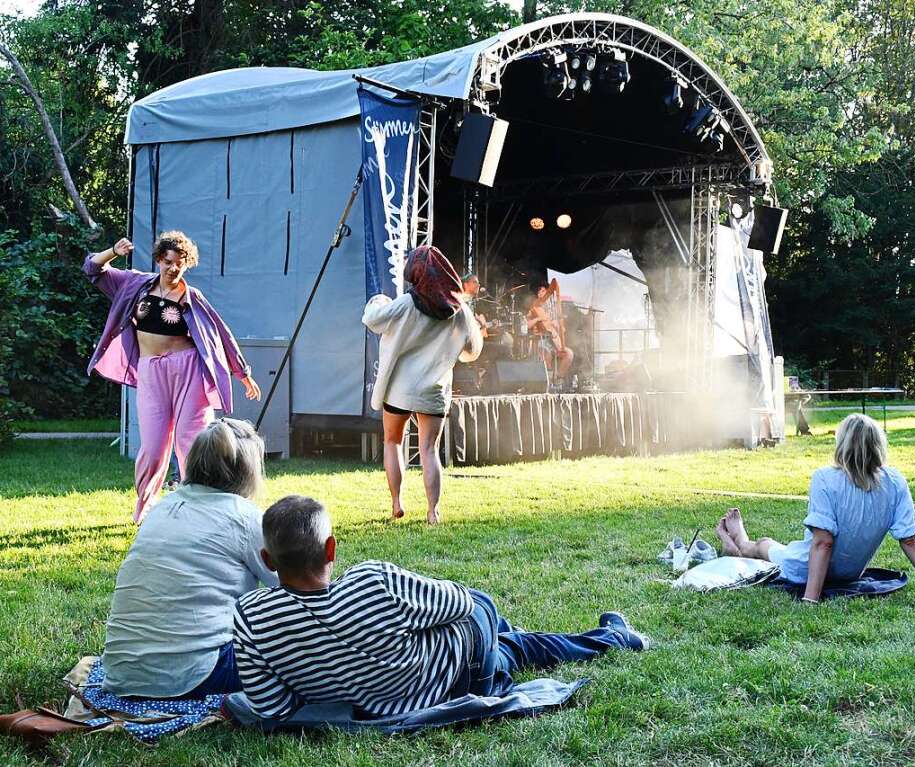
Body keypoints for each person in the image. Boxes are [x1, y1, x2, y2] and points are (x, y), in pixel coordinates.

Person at [229, 496, 648, 723]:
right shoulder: (373, 582)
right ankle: (613, 638)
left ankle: (567, 637)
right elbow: (463, 604)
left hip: (387, 698)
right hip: (459, 677)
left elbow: (274, 709)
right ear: (331, 548)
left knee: (506, 639)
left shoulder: (250, 618)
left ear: (268, 560)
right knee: (495, 625)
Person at [84, 232, 262, 523]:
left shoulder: (193, 298)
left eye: (180, 263)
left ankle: (198, 508)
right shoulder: (135, 284)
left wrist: (243, 373)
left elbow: (221, 335)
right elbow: (93, 269)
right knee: (153, 447)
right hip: (151, 371)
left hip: (188, 370)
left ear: (187, 264)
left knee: (191, 443)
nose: (173, 269)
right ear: (158, 260)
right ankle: (146, 507)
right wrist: (113, 252)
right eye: (168, 262)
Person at [714, 413, 915, 606]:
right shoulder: (895, 481)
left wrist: (810, 600)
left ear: (841, 444)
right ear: (878, 445)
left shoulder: (825, 478)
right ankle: (739, 544)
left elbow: (823, 543)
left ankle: (739, 544)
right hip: (850, 573)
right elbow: (911, 541)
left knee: (765, 544)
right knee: (772, 546)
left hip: (803, 570)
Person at [101, 419, 278, 698]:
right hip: (195, 673)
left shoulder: (162, 508)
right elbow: (292, 588)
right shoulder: (245, 518)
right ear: (250, 471)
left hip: (122, 674)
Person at [362, 245, 483, 525]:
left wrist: (379, 300)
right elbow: (473, 350)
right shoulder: (461, 310)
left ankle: (396, 504)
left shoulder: (407, 302)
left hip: (399, 389)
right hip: (434, 390)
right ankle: (433, 511)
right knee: (429, 450)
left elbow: (372, 319)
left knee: (392, 442)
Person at [526, 276, 574, 383]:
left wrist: (558, 325)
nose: (542, 293)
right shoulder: (533, 308)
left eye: (544, 291)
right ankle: (546, 381)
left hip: (553, 342)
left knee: (569, 354)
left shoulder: (551, 310)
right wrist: (538, 319)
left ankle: (557, 378)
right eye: (540, 290)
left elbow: (563, 331)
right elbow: (526, 325)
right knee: (546, 353)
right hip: (538, 342)